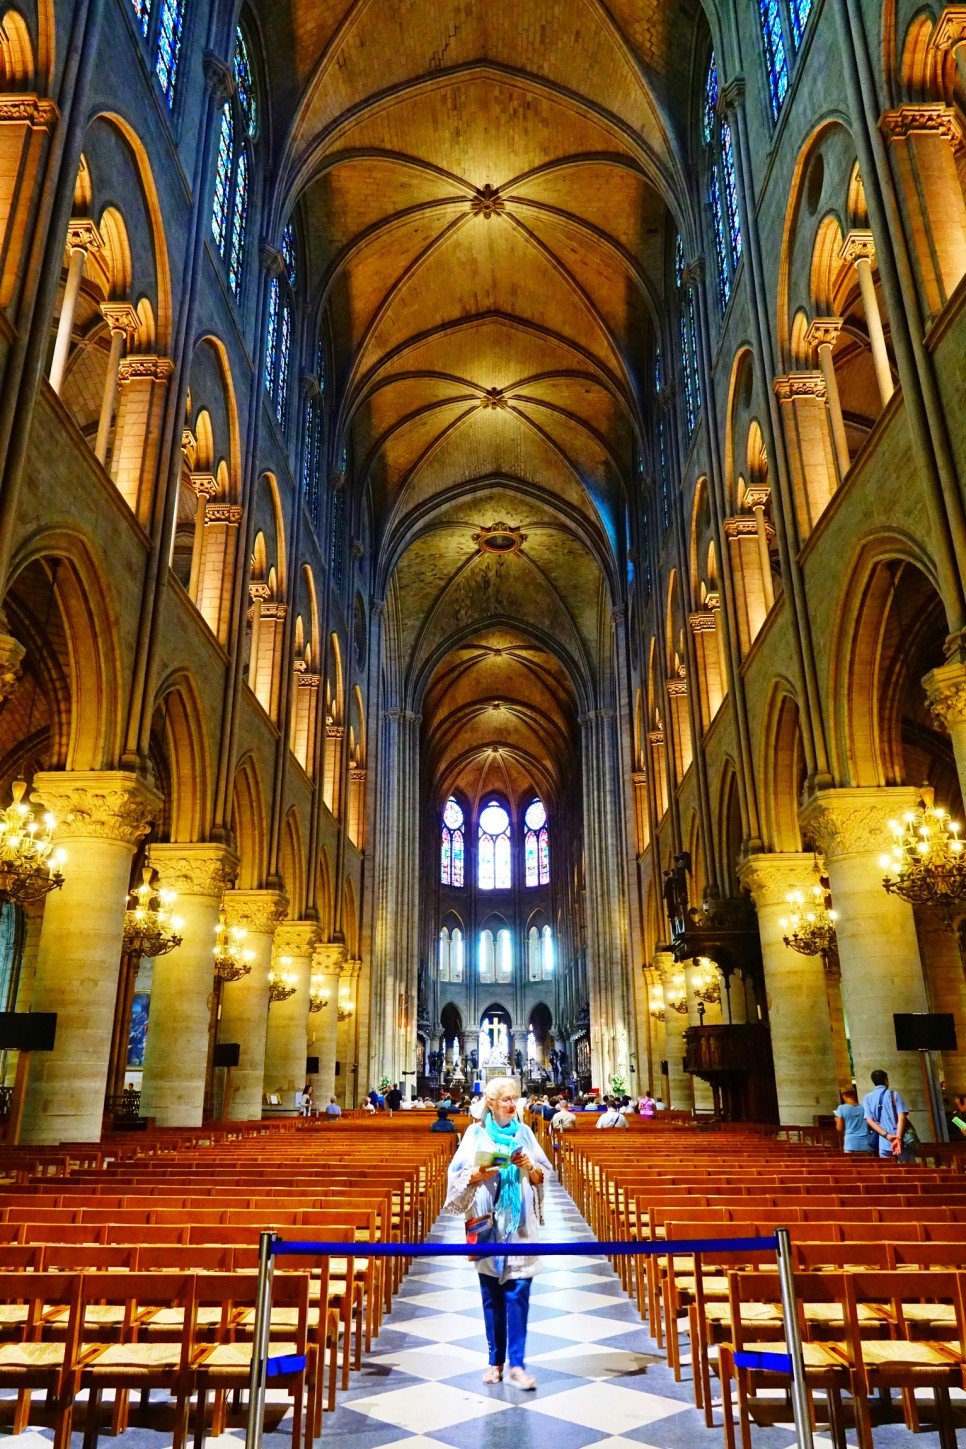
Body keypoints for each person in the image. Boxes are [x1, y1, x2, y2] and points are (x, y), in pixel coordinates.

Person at [445, 1077, 551, 1389]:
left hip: (518, 1225)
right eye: (505, 1099)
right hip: (487, 1223)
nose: (511, 1104)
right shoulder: (474, 1134)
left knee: (519, 1293)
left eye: (514, 1098)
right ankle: (495, 1361)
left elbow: (542, 1174)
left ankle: (517, 1364)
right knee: (491, 1295)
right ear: (490, 1103)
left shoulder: (525, 1132)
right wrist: (478, 1173)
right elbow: (456, 1176)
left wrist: (530, 1165)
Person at [863, 1069, 914, 1161]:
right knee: (909, 1170)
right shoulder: (894, 1095)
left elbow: (869, 1120)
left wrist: (887, 1136)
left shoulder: (867, 1098)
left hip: (883, 1141)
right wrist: (897, 1138)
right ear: (886, 1080)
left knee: (889, 1171)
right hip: (901, 1139)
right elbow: (901, 1117)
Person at [834, 1086, 871, 1153]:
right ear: (854, 1095)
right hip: (866, 1142)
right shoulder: (864, 1108)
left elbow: (840, 1128)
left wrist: (836, 1120)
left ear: (844, 1095)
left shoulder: (841, 1108)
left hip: (850, 1143)